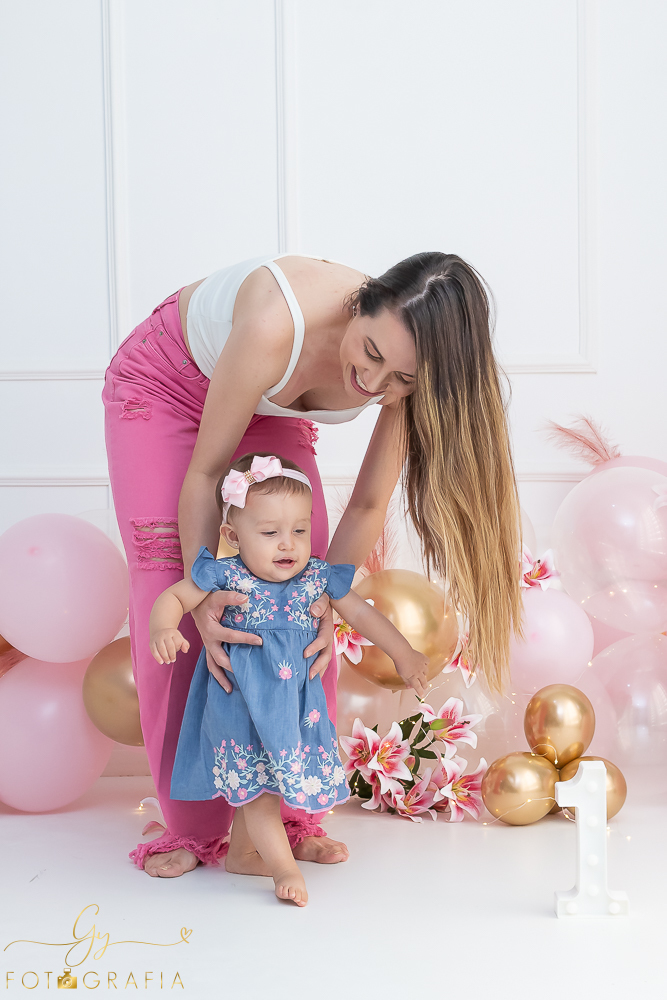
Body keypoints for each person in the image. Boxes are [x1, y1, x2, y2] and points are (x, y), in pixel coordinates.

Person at [103, 251, 521, 878]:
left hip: (270, 411)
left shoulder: (405, 371)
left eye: (402, 380)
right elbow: (206, 475)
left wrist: (322, 601)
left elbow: (370, 502)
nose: (375, 385)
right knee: (180, 591)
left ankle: (291, 814)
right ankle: (191, 827)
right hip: (167, 390)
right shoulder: (278, 324)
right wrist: (204, 588)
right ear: (363, 302)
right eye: (371, 353)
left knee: (293, 595)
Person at [149, 453, 429, 905]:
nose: (288, 545)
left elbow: (360, 612)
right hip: (240, 706)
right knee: (259, 790)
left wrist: (403, 652)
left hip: (293, 708)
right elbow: (173, 597)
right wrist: (163, 628)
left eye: (299, 530)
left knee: (274, 782)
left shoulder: (316, 576)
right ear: (232, 536)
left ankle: (243, 854)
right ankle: (282, 865)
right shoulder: (225, 573)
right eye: (270, 533)